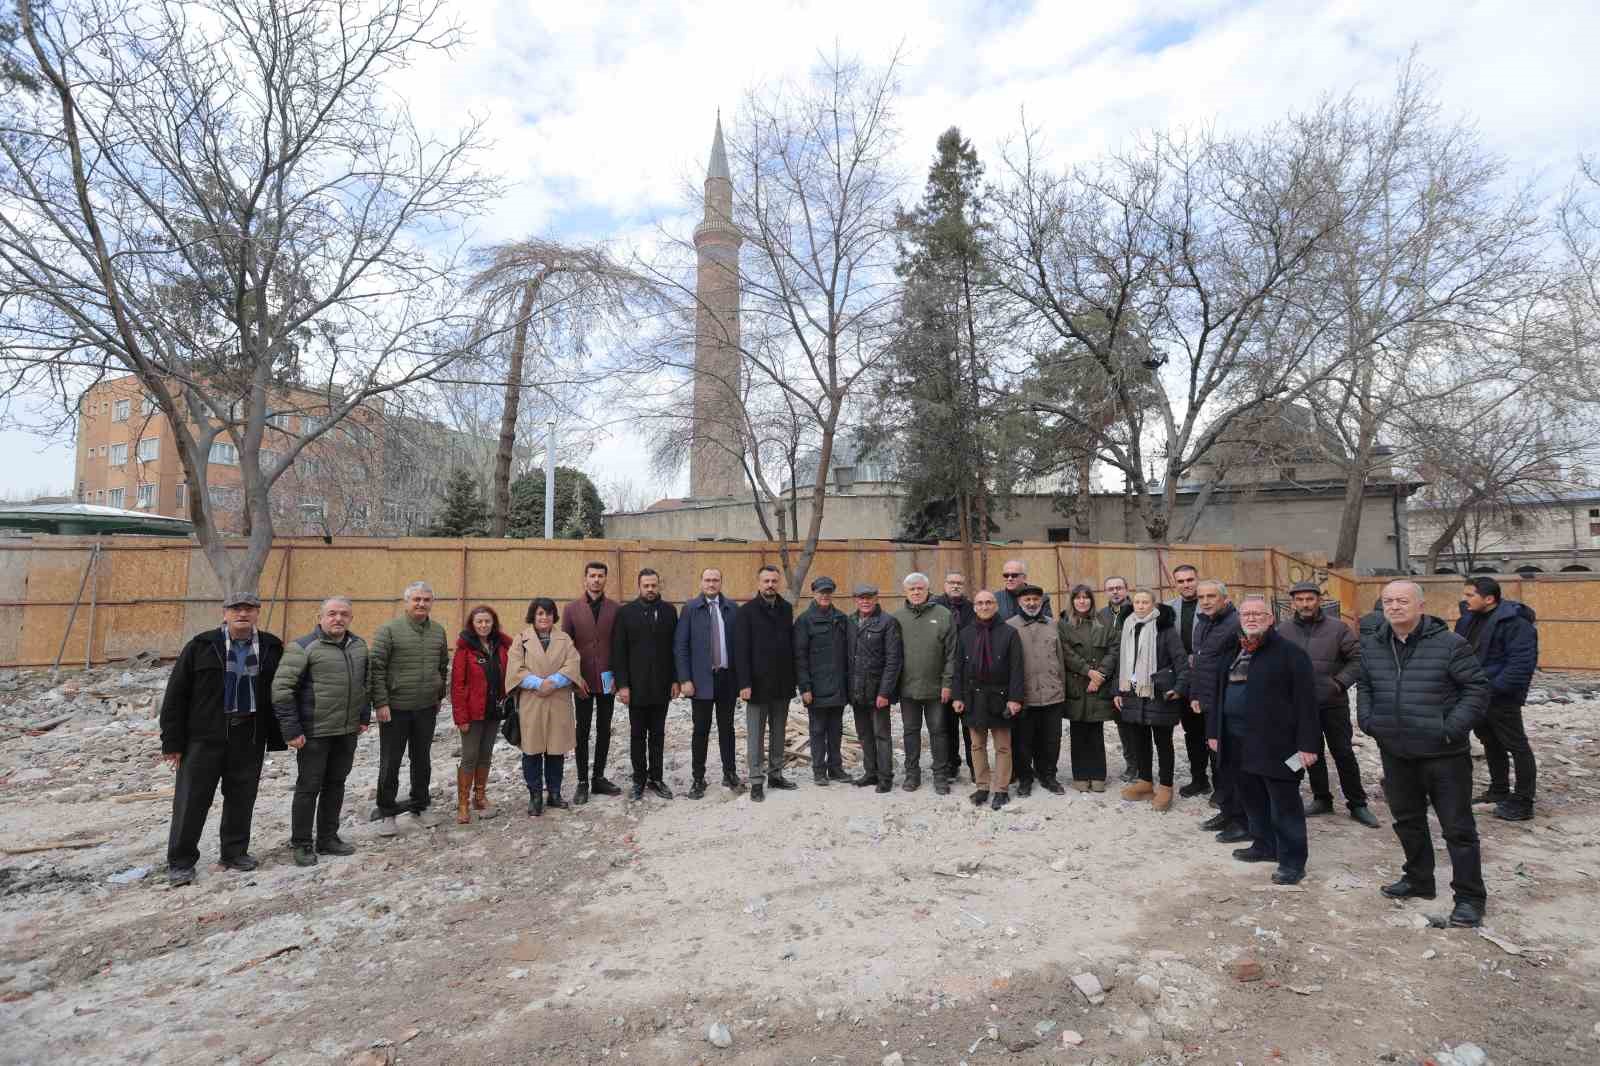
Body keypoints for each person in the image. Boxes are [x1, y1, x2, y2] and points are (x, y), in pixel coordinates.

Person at [1357, 580, 1490, 928]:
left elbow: (1476, 689)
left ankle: (1469, 897)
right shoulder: (1373, 645)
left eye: (1403, 600)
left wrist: (1450, 728)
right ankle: (1419, 879)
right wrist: (1369, 721)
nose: (1395, 606)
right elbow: (1366, 684)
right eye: (1388, 601)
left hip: (1443, 754)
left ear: (1420, 605)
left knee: (1457, 828)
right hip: (1396, 751)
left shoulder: (1449, 644)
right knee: (1407, 821)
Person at [160, 592, 285, 885]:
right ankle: (180, 862)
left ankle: (234, 853)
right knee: (191, 801)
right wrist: (172, 743)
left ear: (257, 613)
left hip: (250, 735)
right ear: (225, 612)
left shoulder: (271, 647)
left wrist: (283, 733)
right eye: (237, 609)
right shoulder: (202, 646)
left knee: (242, 798)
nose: (243, 614)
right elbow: (176, 695)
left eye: (249, 609)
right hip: (204, 737)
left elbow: (281, 691)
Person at [1211, 594, 1321, 885]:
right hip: (1236, 739)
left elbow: (1307, 703)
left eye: (1258, 614)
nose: (1251, 618)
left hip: (1277, 743)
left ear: (1271, 619)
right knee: (1252, 797)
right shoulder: (1234, 649)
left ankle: (1292, 861)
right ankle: (1264, 845)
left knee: (1284, 804)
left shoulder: (1291, 654)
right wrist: (1214, 733)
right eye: (1246, 614)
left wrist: (1308, 745)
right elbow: (1218, 692)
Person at [271, 597, 370, 868]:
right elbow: (282, 690)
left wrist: (363, 716)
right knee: (308, 787)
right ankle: (302, 843)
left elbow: (364, 684)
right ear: (320, 617)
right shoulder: (303, 647)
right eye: (332, 614)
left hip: (346, 730)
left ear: (351, 618)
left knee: (336, 784)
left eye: (344, 614)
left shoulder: (358, 646)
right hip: (314, 731)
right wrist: (291, 729)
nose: (338, 619)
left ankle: (328, 838)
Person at [1277, 581, 1378, 828]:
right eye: (1299, 600)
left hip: (1332, 703)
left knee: (1342, 752)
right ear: (1293, 603)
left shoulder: (1338, 629)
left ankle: (1358, 804)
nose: (1304, 604)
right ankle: (1322, 798)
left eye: (1309, 599)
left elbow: (1358, 660)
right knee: (1311, 753)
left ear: (1318, 601)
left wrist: (1338, 683)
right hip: (1299, 707)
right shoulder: (1283, 631)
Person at [368, 581, 449, 835]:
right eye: (417, 599)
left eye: (426, 599)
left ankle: (420, 805)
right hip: (395, 708)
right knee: (390, 762)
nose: (421, 604)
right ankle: (387, 811)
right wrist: (380, 702)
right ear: (406, 602)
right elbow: (376, 668)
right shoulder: (389, 631)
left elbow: (442, 665)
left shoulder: (438, 631)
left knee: (422, 759)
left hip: (426, 707)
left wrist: (438, 694)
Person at [1456, 576, 1539, 821]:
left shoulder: (1516, 624)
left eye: (1470, 595)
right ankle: (1499, 790)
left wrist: (1492, 689)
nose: (1465, 599)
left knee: (1517, 746)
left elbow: (1520, 664)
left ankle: (1523, 802)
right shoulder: (1468, 620)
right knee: (1491, 742)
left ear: (1489, 598)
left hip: (1502, 697)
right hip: (1475, 693)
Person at [1113, 588, 1189, 812]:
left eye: (1145, 602)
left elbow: (1181, 661)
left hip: (1159, 694)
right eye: (1137, 602)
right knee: (1140, 741)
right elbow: (1121, 661)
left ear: (1154, 605)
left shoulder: (1166, 630)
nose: (1140, 606)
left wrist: (1178, 687)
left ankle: (1166, 787)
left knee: (1163, 743)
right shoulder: (1128, 628)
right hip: (1134, 693)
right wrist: (1117, 690)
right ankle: (1145, 782)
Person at [508, 597, 582, 816]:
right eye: (540, 613)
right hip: (533, 700)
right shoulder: (521, 639)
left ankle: (555, 794)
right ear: (533, 615)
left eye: (548, 613)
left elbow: (573, 664)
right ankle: (535, 796)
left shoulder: (564, 639)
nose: (544, 617)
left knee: (556, 750)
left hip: (558, 700)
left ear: (554, 616)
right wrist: (539, 684)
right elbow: (515, 669)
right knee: (532, 751)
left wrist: (555, 682)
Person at [675, 568, 744, 798]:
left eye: (715, 580)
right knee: (700, 731)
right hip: (700, 681)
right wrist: (685, 679)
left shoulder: (732, 609)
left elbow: (740, 647)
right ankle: (698, 778)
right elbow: (681, 647)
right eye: (707, 580)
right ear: (701, 582)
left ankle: (730, 773)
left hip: (727, 680)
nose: (711, 584)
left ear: (721, 582)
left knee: (728, 730)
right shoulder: (690, 609)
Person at [952, 590, 1024, 810]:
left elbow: (1017, 670)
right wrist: (957, 696)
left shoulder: (1010, 633)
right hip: (973, 698)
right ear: (974, 607)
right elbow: (958, 669)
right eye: (980, 603)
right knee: (977, 745)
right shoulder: (965, 634)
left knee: (1003, 747)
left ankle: (1001, 789)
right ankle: (982, 786)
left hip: (1000, 697)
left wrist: (1015, 699)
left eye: (989, 602)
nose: (984, 606)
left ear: (996, 606)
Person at [612, 569, 680, 801]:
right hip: (636, 686)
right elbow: (618, 652)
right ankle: (639, 779)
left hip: (662, 686)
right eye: (646, 586)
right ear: (639, 586)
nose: (650, 589)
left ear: (659, 585)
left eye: (654, 585)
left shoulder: (670, 611)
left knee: (658, 735)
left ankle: (657, 778)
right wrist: (622, 685)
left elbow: (675, 649)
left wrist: (675, 680)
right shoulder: (626, 613)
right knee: (638, 735)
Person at [736, 564, 798, 802]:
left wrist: (793, 680)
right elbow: (741, 651)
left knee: (779, 733)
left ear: (778, 582)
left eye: (774, 581)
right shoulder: (747, 612)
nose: (770, 585)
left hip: (781, 684)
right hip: (756, 686)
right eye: (766, 581)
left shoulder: (785, 609)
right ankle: (755, 781)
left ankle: (776, 774)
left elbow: (789, 646)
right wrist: (744, 683)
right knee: (756, 736)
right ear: (758, 583)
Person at [562, 561, 622, 805]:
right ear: (584, 579)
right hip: (583, 679)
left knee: (604, 728)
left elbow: (620, 645)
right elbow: (566, 647)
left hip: (608, 678)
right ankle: (582, 782)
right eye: (592, 576)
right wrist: (575, 679)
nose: (596, 580)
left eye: (600, 576)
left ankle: (598, 777)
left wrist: (620, 676)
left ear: (606, 579)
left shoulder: (615, 609)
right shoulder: (572, 609)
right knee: (583, 730)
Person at [1191, 580, 1247, 841]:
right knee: (1219, 761)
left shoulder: (1236, 624)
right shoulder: (1203, 622)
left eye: (1211, 596)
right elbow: (1199, 662)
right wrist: (1196, 694)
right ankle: (1227, 810)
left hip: (1231, 704)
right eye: (1202, 597)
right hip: (1211, 702)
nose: (1205, 601)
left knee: (1234, 762)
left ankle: (1241, 818)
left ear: (1225, 598)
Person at [892, 572, 957, 793]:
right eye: (912, 589)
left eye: (920, 588)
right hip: (907, 688)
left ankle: (940, 775)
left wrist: (947, 683)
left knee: (938, 731)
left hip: (936, 689)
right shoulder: (897, 617)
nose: (916, 592)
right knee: (910, 731)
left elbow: (951, 654)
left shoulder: (943, 615)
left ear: (928, 590)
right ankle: (912, 774)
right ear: (906, 592)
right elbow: (892, 655)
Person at [449, 605, 511, 824]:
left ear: (493, 623)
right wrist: (461, 718)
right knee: (469, 757)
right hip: (472, 713)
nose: (484, 625)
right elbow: (457, 686)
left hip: (493, 710)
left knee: (485, 755)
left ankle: (480, 796)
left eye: (488, 621)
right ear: (472, 625)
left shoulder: (499, 646)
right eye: (479, 622)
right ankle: (463, 804)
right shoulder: (464, 650)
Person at [1006, 583, 1067, 795]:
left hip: (1052, 695)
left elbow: (1060, 659)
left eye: (1035, 600)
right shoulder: (1010, 627)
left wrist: (1063, 691)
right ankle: (1025, 778)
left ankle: (1048, 775)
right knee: (1023, 741)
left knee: (1051, 740)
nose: (1031, 604)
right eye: (1027, 600)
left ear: (1041, 602)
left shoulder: (1053, 625)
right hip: (1024, 696)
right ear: (1019, 602)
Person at [795, 576, 853, 786]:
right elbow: (799, 657)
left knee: (836, 729)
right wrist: (805, 687)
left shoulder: (841, 618)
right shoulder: (804, 621)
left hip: (838, 685)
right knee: (818, 730)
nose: (825, 596)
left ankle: (836, 768)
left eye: (828, 592)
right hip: (816, 687)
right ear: (814, 593)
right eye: (821, 592)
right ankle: (819, 771)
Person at [1060, 584, 1118, 793]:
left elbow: (1114, 649)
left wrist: (1099, 675)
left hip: (1098, 686)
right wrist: (1087, 671)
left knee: (1095, 732)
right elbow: (1065, 652)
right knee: (1078, 732)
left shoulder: (1103, 622)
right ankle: (1080, 775)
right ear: (1072, 601)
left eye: (1086, 598)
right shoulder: (1064, 624)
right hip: (1077, 685)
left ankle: (1098, 775)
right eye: (1078, 598)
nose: (1082, 601)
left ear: (1092, 601)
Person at [848, 584, 904, 793]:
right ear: (855, 600)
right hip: (857, 690)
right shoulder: (851, 621)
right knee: (864, 734)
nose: (865, 601)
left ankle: (885, 777)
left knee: (881, 735)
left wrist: (884, 692)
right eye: (861, 598)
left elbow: (893, 660)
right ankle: (870, 772)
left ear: (876, 598)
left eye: (869, 598)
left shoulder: (888, 622)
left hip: (877, 690)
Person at [1167, 565, 1210, 798]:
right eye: (1181, 581)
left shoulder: (1209, 603)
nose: (1186, 584)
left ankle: (1223, 782)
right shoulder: (1170, 608)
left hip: (1207, 678)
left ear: (1197, 579)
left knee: (1212, 732)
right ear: (1176, 584)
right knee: (1191, 732)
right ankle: (1199, 779)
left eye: (1190, 579)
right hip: (1183, 678)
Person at [933, 572, 976, 781]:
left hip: (969, 675)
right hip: (944, 675)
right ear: (944, 584)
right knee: (946, 725)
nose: (956, 586)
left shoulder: (972, 608)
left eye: (960, 583)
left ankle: (975, 766)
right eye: (952, 582)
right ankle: (951, 765)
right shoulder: (935, 607)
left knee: (970, 725)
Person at [1097, 576, 1136, 781]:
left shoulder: (1137, 610)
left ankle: (1142, 766)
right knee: (1122, 724)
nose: (1115, 592)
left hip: (1134, 676)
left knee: (1136, 724)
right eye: (1110, 588)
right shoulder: (1101, 615)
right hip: (1110, 677)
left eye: (1119, 588)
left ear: (1127, 589)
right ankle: (1131, 765)